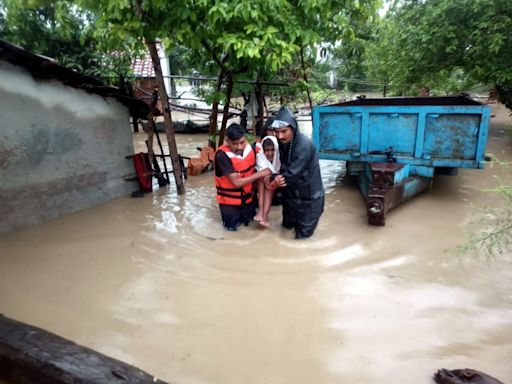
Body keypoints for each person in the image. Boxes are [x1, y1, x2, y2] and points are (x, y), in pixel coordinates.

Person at [267, 107, 325, 239]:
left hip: (309, 201)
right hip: (291, 199)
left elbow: (292, 174)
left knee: (301, 240)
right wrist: (273, 177)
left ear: (293, 128)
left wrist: (274, 179)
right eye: (277, 132)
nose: (280, 136)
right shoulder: (282, 142)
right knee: (285, 230)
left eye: (284, 131)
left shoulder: (304, 145)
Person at [214, 123, 271, 231]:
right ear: (227, 141)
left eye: (242, 142)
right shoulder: (222, 156)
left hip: (248, 201)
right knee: (232, 233)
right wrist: (261, 173)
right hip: (230, 206)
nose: (240, 147)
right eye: (235, 144)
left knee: (250, 229)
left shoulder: (251, 148)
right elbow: (236, 183)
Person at [254, 136, 281, 228]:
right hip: (261, 183)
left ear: (276, 149)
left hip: (273, 183)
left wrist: (271, 176)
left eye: (273, 150)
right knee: (262, 180)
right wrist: (266, 175)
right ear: (263, 150)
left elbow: (278, 171)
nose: (270, 153)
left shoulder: (279, 157)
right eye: (267, 150)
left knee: (269, 185)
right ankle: (261, 211)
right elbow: (261, 170)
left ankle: (265, 216)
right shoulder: (259, 156)